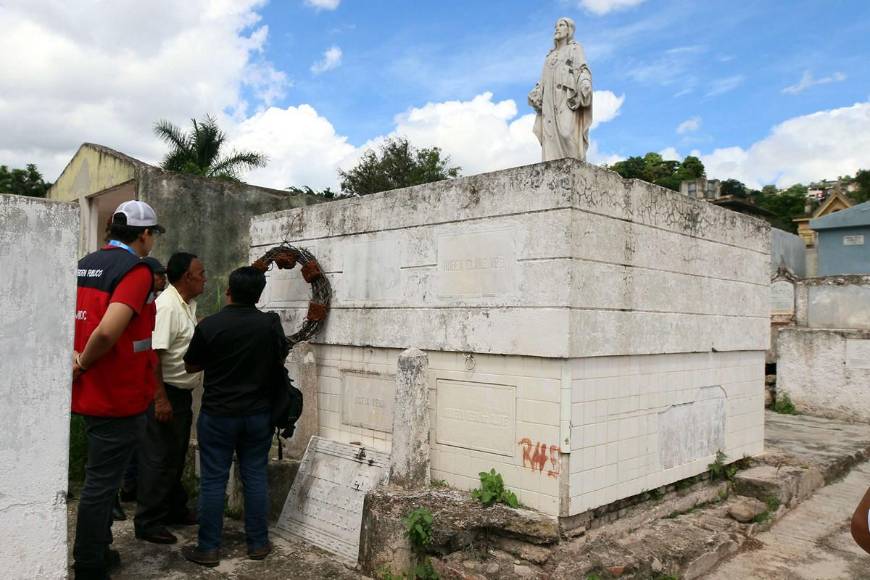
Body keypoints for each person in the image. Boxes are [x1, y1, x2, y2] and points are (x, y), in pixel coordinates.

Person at [71, 200, 165, 580]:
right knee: (100, 484)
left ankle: (99, 549)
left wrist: (78, 364)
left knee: (101, 479)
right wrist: (83, 361)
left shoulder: (86, 263)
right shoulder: (136, 270)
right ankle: (90, 562)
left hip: (90, 389)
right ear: (144, 235)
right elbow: (110, 329)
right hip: (116, 392)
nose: (153, 241)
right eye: (153, 234)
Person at [181, 266, 286, 567]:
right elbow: (280, 358)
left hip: (218, 415)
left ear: (229, 290)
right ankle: (258, 543)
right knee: (254, 475)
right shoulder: (269, 325)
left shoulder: (211, 326)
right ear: (259, 293)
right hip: (257, 416)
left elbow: (190, 366)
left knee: (213, 480)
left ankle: (209, 548)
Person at [134, 252, 206, 544]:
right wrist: (160, 398)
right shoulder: (166, 307)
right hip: (166, 393)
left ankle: (174, 508)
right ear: (186, 277)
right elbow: (154, 355)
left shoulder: (186, 304)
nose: (205, 278)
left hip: (181, 393)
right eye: (200, 273)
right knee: (158, 458)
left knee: (174, 455)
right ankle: (148, 521)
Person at [115, 256, 168, 519]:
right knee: (119, 447)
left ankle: (128, 488)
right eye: (159, 275)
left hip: (140, 387)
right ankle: (115, 495)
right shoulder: (130, 300)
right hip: (123, 385)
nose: (162, 280)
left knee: (135, 443)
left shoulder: (151, 303)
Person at [528, 17, 593, 162]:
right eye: (556, 26)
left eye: (561, 25)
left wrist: (585, 83)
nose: (557, 29)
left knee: (566, 133)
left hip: (566, 96)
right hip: (549, 99)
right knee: (549, 136)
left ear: (569, 30)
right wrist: (537, 92)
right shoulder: (550, 56)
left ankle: (575, 167)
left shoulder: (575, 48)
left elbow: (582, 69)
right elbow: (543, 79)